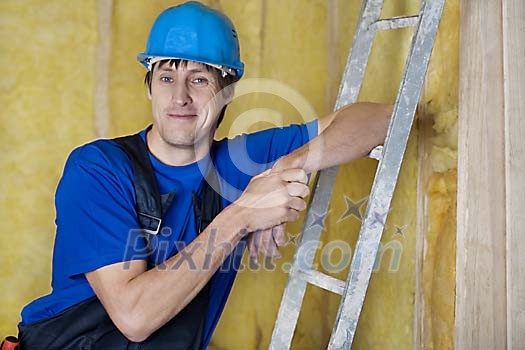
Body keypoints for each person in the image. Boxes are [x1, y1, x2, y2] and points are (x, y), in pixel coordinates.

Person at [17, 1, 392, 349]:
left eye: (198, 80)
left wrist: (290, 165)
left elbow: (380, 119)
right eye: (166, 78)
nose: (180, 97)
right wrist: (244, 214)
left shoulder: (239, 163)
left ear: (227, 92)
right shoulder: (98, 169)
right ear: (149, 87)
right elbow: (135, 316)